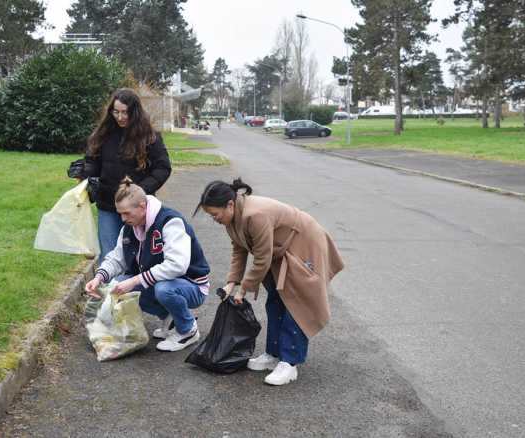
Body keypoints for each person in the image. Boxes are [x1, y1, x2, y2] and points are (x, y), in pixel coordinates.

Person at [194, 178, 344, 385]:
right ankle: (274, 354)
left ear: (229, 204)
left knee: (297, 303)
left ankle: (289, 363)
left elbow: (262, 258)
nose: (214, 219)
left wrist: (243, 289)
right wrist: (232, 282)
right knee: (275, 299)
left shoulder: (255, 215)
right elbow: (239, 248)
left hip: (304, 245)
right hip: (280, 251)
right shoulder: (231, 217)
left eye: (215, 214)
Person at [85, 177, 210, 352]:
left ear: (143, 206)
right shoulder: (130, 226)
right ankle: (171, 319)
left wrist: (135, 280)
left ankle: (187, 330)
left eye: (127, 213)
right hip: (163, 282)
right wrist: (99, 277)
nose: (122, 219)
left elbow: (177, 266)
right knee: (118, 284)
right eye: (120, 213)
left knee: (162, 289)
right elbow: (117, 258)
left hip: (192, 286)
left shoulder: (170, 221)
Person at [82, 88, 172, 262]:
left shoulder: (149, 137)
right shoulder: (103, 135)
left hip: (137, 208)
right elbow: (92, 161)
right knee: (109, 254)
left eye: (125, 112)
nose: (120, 117)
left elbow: (163, 168)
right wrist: (85, 173)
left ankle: (135, 286)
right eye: (116, 112)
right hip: (107, 204)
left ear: (135, 112)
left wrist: (140, 190)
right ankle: (110, 288)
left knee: (138, 254)